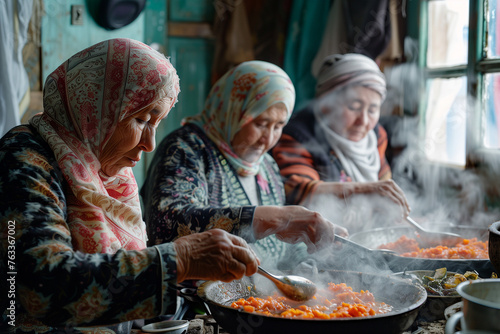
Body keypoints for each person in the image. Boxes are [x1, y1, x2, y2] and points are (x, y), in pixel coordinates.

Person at [0, 38, 260, 334]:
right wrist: (180, 259)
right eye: (141, 119)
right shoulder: (23, 157)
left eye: (156, 122)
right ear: (94, 107)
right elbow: (40, 285)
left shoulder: (107, 173)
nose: (150, 144)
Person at [141, 60, 347, 268]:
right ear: (233, 108)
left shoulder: (267, 166)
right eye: (260, 124)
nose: (267, 139)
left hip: (258, 297)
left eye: (278, 126)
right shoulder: (185, 148)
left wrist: (315, 246)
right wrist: (273, 218)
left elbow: (278, 250)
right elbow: (167, 225)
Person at [272, 53, 411, 231]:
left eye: (373, 110)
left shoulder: (376, 136)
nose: (363, 121)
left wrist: (395, 215)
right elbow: (298, 191)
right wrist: (364, 189)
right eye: (354, 107)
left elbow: (383, 188)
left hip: (366, 234)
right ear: (326, 104)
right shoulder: (298, 135)